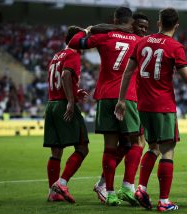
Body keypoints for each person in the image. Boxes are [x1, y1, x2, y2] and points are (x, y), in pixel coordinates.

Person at [114, 7, 187, 211]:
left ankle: (140, 188)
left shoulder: (141, 42)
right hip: (163, 105)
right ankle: (164, 201)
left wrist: (122, 100)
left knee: (153, 147)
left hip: (143, 105)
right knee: (167, 151)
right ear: (176, 25)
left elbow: (127, 72)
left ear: (159, 22)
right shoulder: (175, 46)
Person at [68, 7, 144, 206]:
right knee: (137, 143)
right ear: (132, 22)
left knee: (110, 147)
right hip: (127, 96)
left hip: (104, 96)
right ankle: (127, 187)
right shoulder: (138, 41)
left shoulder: (105, 36)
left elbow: (73, 42)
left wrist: (87, 30)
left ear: (115, 19)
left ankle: (109, 192)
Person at [44, 26, 89, 203]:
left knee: (56, 151)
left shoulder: (56, 56)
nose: (85, 43)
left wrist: (75, 92)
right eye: (82, 39)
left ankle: (52, 192)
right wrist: (71, 100)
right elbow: (65, 76)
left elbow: (59, 79)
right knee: (82, 148)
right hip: (63, 104)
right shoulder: (73, 54)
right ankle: (61, 183)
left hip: (51, 104)